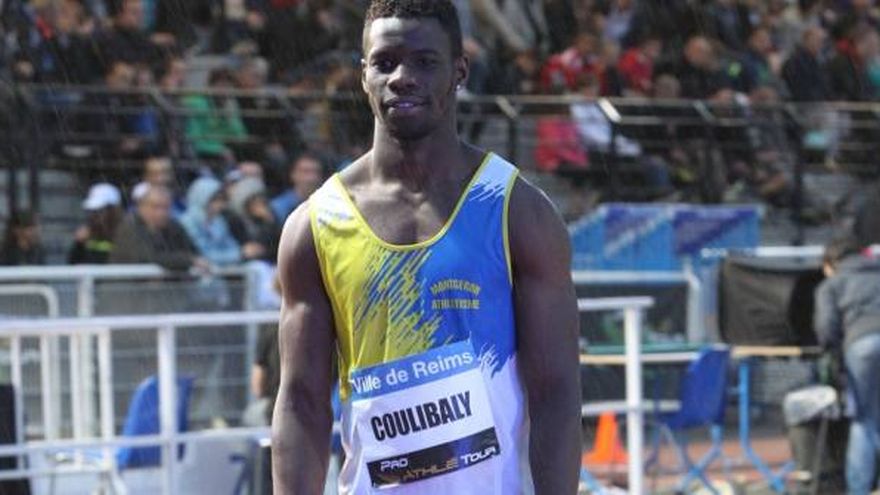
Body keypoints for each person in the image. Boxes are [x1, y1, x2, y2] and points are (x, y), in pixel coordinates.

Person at [272, 1, 581, 494]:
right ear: (363, 75)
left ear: (460, 71)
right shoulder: (315, 225)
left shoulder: (516, 211)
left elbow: (557, 392)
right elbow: (301, 401)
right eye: (385, 62)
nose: (402, 77)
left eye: (424, 61)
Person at [814, 235, 880, 495]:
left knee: (864, 420)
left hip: (860, 345)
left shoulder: (832, 284)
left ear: (831, 263)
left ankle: (859, 489)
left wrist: (830, 353)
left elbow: (826, 327)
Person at [109, 184, 208, 271]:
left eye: (165, 207)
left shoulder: (173, 226)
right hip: (126, 284)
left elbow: (194, 252)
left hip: (168, 285)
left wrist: (191, 259)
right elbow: (148, 257)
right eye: (155, 207)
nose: (161, 213)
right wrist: (188, 260)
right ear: (141, 207)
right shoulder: (130, 227)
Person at [179, 176, 251, 267]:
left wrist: (242, 252)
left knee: (257, 266)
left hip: (227, 264)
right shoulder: (188, 221)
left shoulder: (218, 220)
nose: (220, 204)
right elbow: (204, 253)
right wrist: (239, 254)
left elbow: (230, 244)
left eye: (222, 199)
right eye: (215, 199)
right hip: (202, 267)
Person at [68, 183, 124, 264]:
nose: (94, 216)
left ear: (113, 211)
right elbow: (73, 264)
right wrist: (79, 244)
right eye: (92, 211)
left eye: (100, 211)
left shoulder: (125, 233)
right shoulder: (88, 234)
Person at [270, 152, 324, 223]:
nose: (311, 178)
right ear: (293, 175)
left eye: (315, 172)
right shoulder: (278, 206)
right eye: (305, 172)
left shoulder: (327, 204)